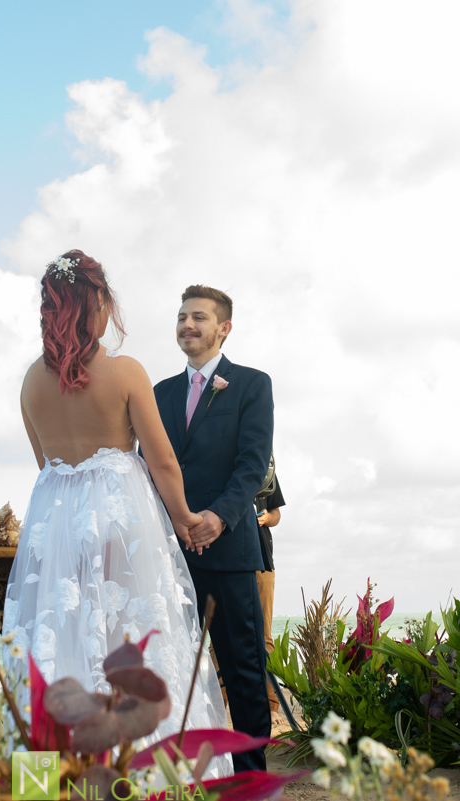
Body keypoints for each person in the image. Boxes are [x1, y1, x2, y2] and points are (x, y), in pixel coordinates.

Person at [1, 251, 231, 776]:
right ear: (98, 303)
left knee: (57, 643)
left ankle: (49, 781)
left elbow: (46, 464)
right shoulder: (126, 372)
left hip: (55, 522)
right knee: (134, 638)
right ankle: (149, 777)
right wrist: (182, 519)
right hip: (121, 517)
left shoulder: (31, 382)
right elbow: (163, 459)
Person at [153, 286, 274, 772]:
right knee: (176, 666)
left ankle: (249, 773)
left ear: (224, 328)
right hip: (170, 552)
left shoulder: (251, 384)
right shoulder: (158, 392)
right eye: (182, 316)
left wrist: (217, 518)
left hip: (228, 550)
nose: (187, 325)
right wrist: (176, 520)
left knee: (244, 667)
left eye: (199, 317)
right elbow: (150, 463)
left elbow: (252, 463)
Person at [254, 463, 286, 717]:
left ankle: (271, 706)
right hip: (227, 560)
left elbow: (276, 514)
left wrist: (266, 518)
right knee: (221, 638)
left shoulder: (266, 468)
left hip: (262, 560)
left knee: (265, 637)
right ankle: (219, 707)